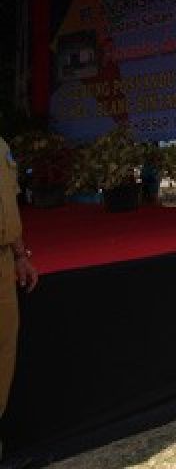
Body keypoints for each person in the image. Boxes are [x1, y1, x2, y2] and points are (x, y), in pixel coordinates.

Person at [1, 135, 38, 465]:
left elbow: (9, 204)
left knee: (4, 350)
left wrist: (19, 255)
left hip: (3, 261)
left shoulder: (1, 146)